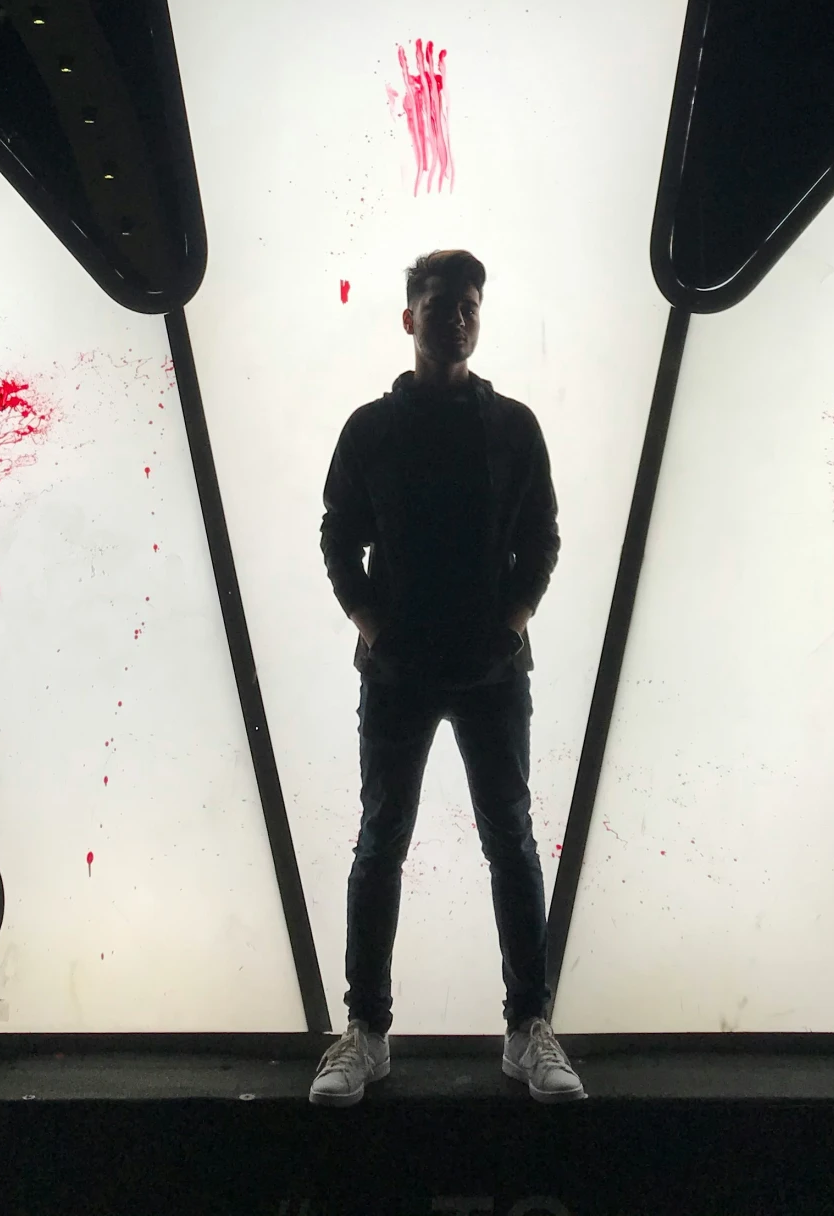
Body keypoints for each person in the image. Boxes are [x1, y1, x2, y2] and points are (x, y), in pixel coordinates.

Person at [310, 248, 586, 1106]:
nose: (456, 316)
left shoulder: (514, 427)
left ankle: (526, 1028)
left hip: (488, 671)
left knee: (506, 840)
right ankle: (367, 1030)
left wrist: (507, 627)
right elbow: (337, 538)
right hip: (401, 670)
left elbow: (541, 538)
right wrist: (373, 627)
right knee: (383, 841)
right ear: (409, 317)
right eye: (440, 303)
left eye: (468, 303)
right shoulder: (371, 429)